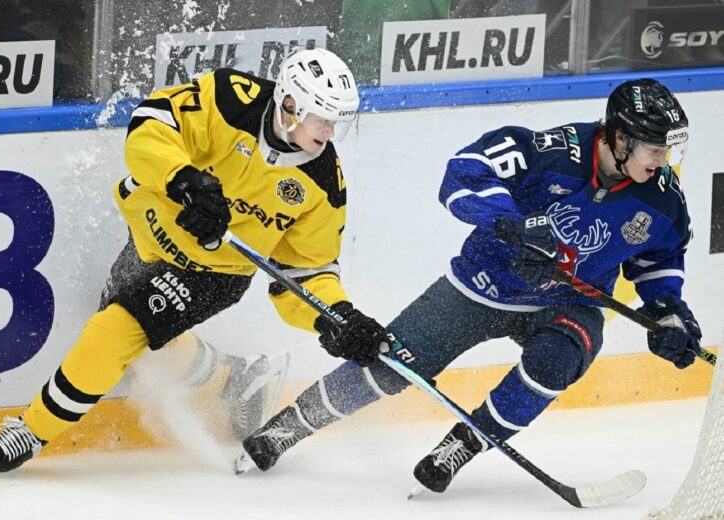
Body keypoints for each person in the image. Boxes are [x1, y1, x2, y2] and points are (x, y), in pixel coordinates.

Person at [238, 78, 702, 495]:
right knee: (391, 363)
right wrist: (509, 223)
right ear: (620, 138)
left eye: (668, 151)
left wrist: (667, 310)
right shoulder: (555, 152)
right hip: (483, 283)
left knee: (556, 361)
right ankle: (287, 427)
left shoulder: (663, 198)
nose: (663, 162)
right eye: (655, 150)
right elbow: (464, 168)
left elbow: (660, 257)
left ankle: (462, 444)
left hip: (569, 300)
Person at [0, 47, 389, 474]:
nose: (330, 132)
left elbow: (307, 270)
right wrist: (182, 179)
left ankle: (32, 431)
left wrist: (336, 315)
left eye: (337, 121)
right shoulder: (230, 98)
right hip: (149, 237)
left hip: (214, 273)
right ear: (290, 104)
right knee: (145, 349)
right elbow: (150, 123)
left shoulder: (323, 184)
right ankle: (233, 380)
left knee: (115, 329)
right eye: (323, 119)